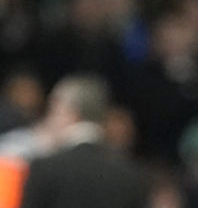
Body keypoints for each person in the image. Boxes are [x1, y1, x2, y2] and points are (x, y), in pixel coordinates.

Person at [19, 74, 147, 208]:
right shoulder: (130, 173)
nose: (49, 120)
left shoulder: (45, 169)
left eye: (53, 111)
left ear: (70, 112)